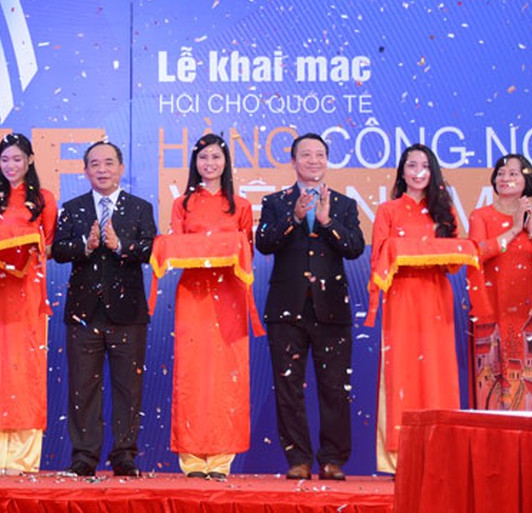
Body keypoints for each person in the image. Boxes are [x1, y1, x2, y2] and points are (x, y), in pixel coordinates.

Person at [256, 133, 365, 481]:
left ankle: (333, 460)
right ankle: (298, 459)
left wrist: (328, 222)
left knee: (334, 388)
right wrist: (293, 217)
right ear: (293, 161)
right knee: (288, 388)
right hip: (286, 309)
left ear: (327, 161)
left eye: (319, 154)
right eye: (306, 155)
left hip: (331, 309)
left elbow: (355, 248)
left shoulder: (344, 204)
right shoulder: (275, 202)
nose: (313, 160)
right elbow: (264, 243)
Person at [52, 141, 156, 478]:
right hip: (83, 313)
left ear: (121, 168)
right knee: (83, 389)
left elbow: (152, 249)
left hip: (128, 313)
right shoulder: (72, 208)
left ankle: (124, 455)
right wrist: (87, 246)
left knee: (128, 388)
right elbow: (58, 250)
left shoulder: (140, 208)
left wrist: (120, 245)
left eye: (109, 163)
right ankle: (84, 457)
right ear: (85, 171)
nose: (102, 169)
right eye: (95, 164)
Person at [168, 134, 255, 480]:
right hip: (193, 295)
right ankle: (191, 459)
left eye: (216, 157)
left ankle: (220, 460)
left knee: (226, 376)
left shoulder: (241, 206)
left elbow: (247, 252)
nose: (210, 163)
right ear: (195, 163)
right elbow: (176, 248)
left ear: (226, 162)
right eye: (203, 157)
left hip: (230, 295)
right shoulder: (182, 204)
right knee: (192, 373)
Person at [369, 143, 460, 473]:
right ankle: (399, 459)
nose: (418, 172)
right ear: (402, 172)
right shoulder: (388, 210)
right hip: (401, 300)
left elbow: (454, 263)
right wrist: (409, 249)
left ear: (432, 172)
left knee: (437, 374)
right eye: (411, 165)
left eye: (424, 166)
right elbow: (378, 260)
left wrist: (436, 243)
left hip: (436, 300)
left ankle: (440, 455)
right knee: (402, 373)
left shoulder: (444, 211)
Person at [0, 133, 57, 475]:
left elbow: (49, 247)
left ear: (30, 160)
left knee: (26, 367)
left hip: (29, 289)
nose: (11, 165)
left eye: (17, 159)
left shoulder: (44, 199)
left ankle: (22, 458)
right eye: (5, 159)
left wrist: (26, 245)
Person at [468, 154, 532, 410]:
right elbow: (477, 254)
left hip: (528, 314)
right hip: (492, 309)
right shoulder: (481, 216)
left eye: (513, 173)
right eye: (501, 173)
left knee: (531, 389)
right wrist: (514, 229)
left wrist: (531, 228)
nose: (505, 178)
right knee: (493, 388)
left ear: (527, 180)